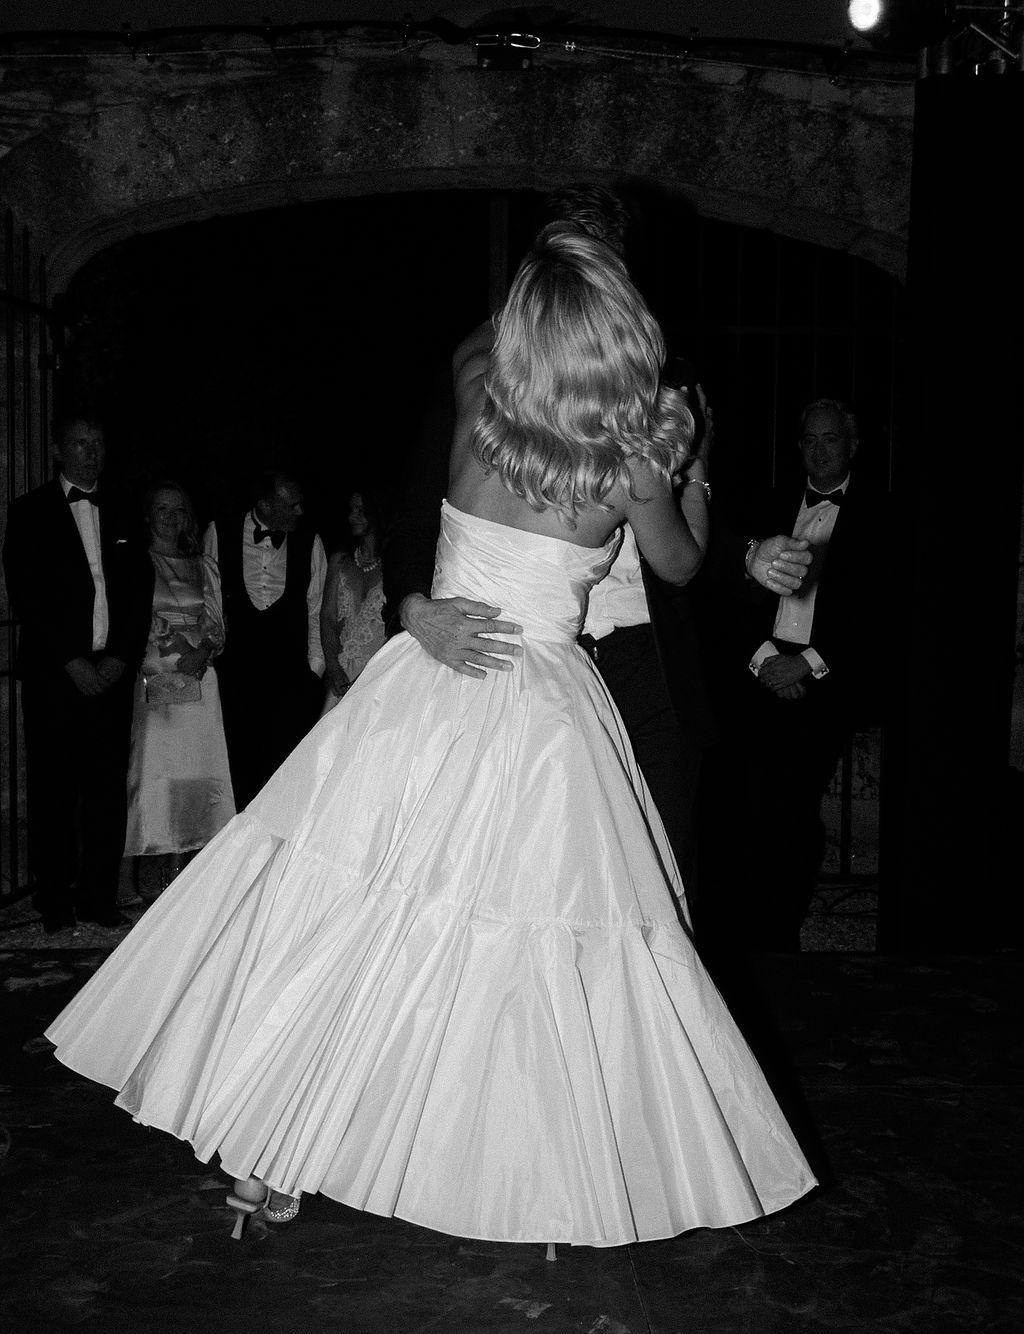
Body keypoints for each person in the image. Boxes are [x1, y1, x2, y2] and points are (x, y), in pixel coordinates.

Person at [47, 227, 815, 1250]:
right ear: (614, 335)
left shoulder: (475, 405)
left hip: (427, 692)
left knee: (358, 916)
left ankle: (273, 1152)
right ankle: (552, 1186)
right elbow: (677, 566)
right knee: (533, 939)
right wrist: (693, 460)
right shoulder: (630, 465)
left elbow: (481, 361)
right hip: (540, 713)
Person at [384, 185, 810, 909]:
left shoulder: (505, 379)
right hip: (503, 658)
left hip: (642, 662)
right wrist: (413, 607)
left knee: (652, 884)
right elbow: (415, 510)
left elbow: (678, 544)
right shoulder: (488, 379)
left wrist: (747, 554)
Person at [737, 397, 890, 951]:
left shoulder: (879, 511)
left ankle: (783, 933)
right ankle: (745, 929)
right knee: (746, 803)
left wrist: (806, 664)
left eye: (831, 440)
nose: (819, 451)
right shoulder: (771, 502)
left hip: (826, 677)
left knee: (796, 811)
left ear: (852, 445)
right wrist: (763, 662)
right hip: (759, 670)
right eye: (810, 440)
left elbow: (880, 611)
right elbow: (731, 599)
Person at [2, 415, 151, 933]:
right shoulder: (28, 513)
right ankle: (54, 899)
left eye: (99, 443)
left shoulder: (126, 509)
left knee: (107, 789)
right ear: (57, 450)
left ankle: (98, 896)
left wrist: (117, 661)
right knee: (54, 791)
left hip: (111, 673)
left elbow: (138, 595)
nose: (92, 452)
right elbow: (27, 595)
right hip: (55, 677)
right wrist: (71, 662)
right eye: (81, 443)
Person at [119, 481, 235, 899]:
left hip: (201, 679)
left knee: (198, 778)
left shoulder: (206, 564)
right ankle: (149, 877)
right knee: (156, 776)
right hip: (158, 676)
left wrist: (203, 649)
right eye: (163, 509)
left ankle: (190, 876)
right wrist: (177, 646)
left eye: (179, 509)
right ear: (149, 515)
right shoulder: (137, 560)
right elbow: (136, 615)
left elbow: (218, 623)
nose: (172, 517)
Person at [204, 469, 327, 808]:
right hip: (237, 677)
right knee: (237, 775)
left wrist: (313, 672)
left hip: (289, 679)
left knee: (284, 778)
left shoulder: (311, 542)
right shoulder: (219, 531)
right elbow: (210, 602)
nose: (301, 512)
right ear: (264, 505)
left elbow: (315, 609)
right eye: (292, 505)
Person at [320, 490, 386, 714]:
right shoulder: (339, 561)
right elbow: (327, 617)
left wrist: (367, 677)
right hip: (342, 674)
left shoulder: (394, 567)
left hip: (378, 676)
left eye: (360, 510)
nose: (352, 517)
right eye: (351, 510)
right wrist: (332, 665)